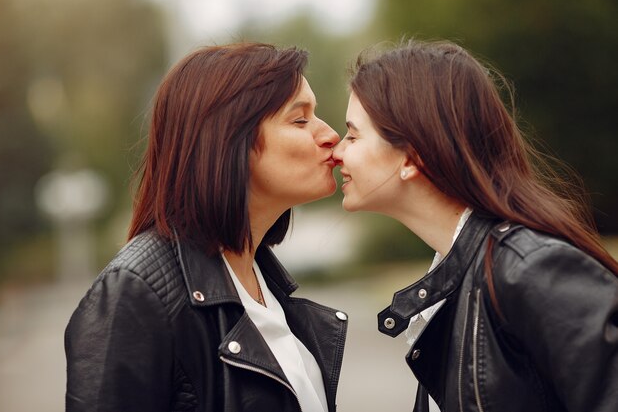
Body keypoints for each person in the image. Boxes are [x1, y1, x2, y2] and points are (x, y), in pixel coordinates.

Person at [332, 39, 618, 412]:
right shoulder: (458, 283)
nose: (337, 152)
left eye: (353, 135)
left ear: (412, 157)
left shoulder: (528, 270)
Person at [65, 42, 348, 412]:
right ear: (230, 140)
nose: (330, 135)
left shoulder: (266, 284)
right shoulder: (134, 294)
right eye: (300, 119)